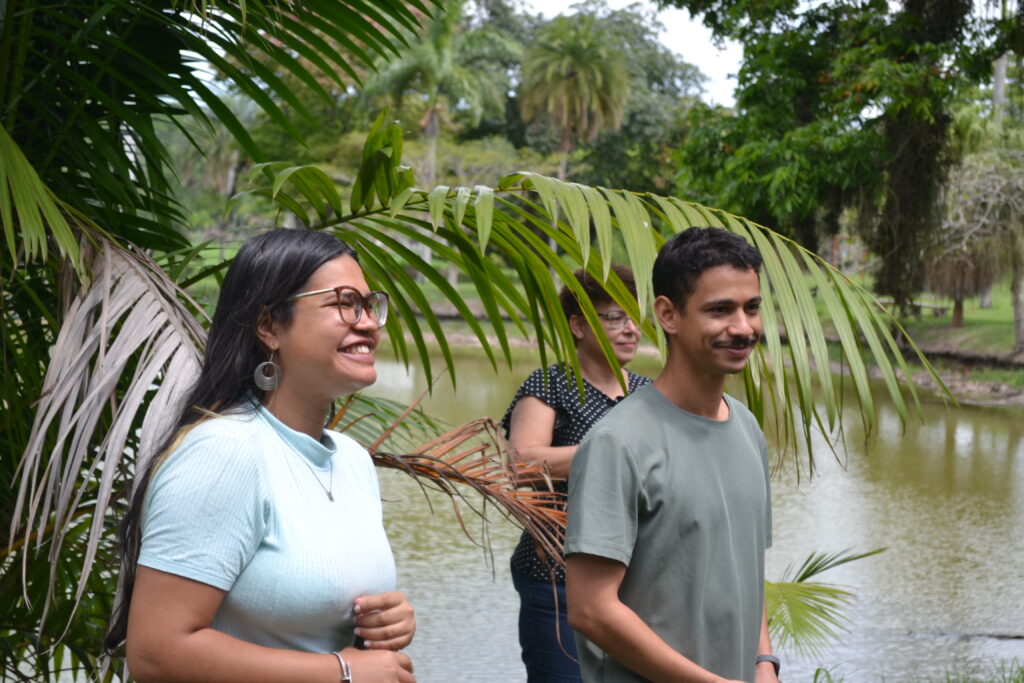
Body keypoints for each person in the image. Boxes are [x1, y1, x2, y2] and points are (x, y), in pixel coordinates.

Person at [105, 229, 416, 682]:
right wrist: (343, 671)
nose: (368, 322)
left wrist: (387, 621)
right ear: (269, 326)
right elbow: (156, 652)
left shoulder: (352, 460)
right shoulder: (224, 453)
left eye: (370, 305)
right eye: (344, 303)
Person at [564, 227, 780, 683]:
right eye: (720, 310)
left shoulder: (747, 429)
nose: (743, 328)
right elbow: (590, 609)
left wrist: (764, 665)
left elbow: (748, 574)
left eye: (752, 308)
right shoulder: (617, 442)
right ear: (668, 315)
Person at [501, 265, 652, 682]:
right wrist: (606, 452)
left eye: (634, 318)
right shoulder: (550, 385)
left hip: (637, 584)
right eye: (615, 317)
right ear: (579, 325)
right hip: (558, 579)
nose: (631, 330)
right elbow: (523, 464)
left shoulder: (649, 395)